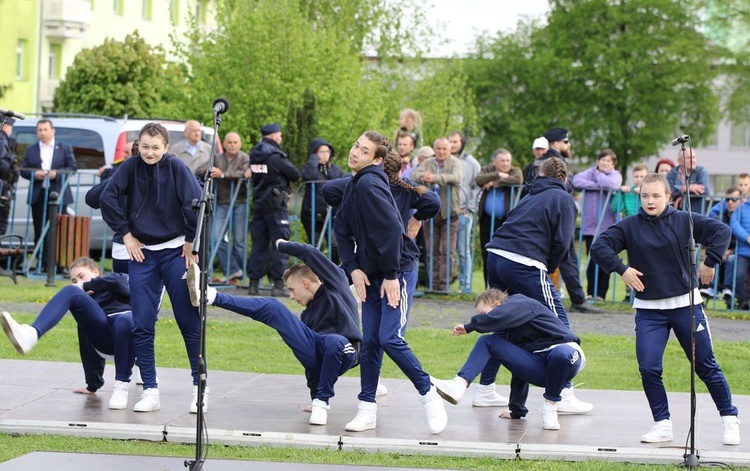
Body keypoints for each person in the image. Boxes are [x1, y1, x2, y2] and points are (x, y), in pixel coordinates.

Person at [590, 173, 740, 445]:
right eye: (645, 196)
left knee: (705, 366)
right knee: (648, 367)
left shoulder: (685, 220)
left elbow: (722, 231)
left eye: (656, 196)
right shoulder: (629, 226)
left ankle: (729, 417)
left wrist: (710, 261)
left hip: (686, 306)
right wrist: (621, 269)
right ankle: (662, 424)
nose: (650, 201)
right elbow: (599, 246)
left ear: (668, 197)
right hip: (649, 310)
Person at [326, 131, 447, 435]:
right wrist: (353, 268)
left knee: (390, 338)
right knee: (370, 342)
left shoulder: (369, 183)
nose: (355, 152)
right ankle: (367, 408)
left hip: (397, 270)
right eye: (355, 146)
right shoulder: (355, 183)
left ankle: (428, 392)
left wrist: (392, 275)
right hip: (372, 272)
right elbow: (341, 227)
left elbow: (393, 230)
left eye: (363, 151)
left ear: (377, 160)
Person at [187, 239, 361, 425]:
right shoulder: (307, 315)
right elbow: (311, 367)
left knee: (333, 341)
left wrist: (280, 245)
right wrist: (313, 394)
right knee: (274, 308)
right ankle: (211, 296)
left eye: (292, 290)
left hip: (345, 349)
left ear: (306, 283)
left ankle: (322, 403)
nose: (291, 296)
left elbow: (310, 253)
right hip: (320, 352)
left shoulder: (337, 284)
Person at [99, 122, 204, 413]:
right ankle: (150, 390)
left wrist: (190, 241)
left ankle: (200, 389)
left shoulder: (176, 167)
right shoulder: (130, 166)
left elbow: (196, 204)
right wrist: (127, 234)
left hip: (175, 253)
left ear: (166, 147)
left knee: (188, 321)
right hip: (142, 255)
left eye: (155, 147)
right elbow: (106, 198)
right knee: (142, 324)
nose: (149, 152)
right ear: (139, 145)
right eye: (145, 146)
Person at [484, 157, 593, 414]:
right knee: (559, 325)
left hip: (496, 256)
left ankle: (486, 388)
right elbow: (563, 243)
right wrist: (550, 266)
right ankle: (563, 391)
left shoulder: (528, 196)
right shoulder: (564, 199)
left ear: (539, 175)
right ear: (564, 178)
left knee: (507, 324)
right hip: (525, 263)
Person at [431, 289, 586, 431]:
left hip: (567, 357)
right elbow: (519, 371)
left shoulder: (520, 302)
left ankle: (550, 407)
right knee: (487, 341)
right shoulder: (508, 332)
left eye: (483, 314)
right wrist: (516, 410)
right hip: (540, 369)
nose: (483, 319)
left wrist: (470, 326)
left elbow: (500, 315)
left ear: (497, 305)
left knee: (561, 353)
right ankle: (459, 384)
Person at [0, 257, 135, 410]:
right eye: (74, 279)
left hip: (127, 329)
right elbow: (86, 340)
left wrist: (87, 285)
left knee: (127, 319)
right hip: (106, 338)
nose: (77, 282)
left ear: (96, 271)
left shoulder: (115, 280)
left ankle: (126, 382)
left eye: (81, 276)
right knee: (71, 291)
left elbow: (124, 284)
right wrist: (93, 384)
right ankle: (31, 334)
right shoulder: (86, 306)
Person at [523, 128, 598, 314]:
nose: (568, 145)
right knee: (565, 255)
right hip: (552, 216)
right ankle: (576, 299)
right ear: (556, 143)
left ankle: (576, 298)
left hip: (541, 216)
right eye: (566, 142)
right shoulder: (554, 161)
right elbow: (567, 185)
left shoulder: (540, 160)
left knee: (563, 256)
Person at [247, 123, 300, 297]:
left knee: (258, 245)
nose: (281, 139)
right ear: (274, 136)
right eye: (280, 136)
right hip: (276, 206)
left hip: (259, 204)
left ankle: (253, 284)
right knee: (281, 244)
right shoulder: (275, 156)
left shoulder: (254, 154)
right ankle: (278, 284)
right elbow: (294, 173)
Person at [20, 119, 78, 271]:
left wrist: (56, 174)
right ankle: (43, 263)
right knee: (40, 230)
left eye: (45, 129)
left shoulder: (64, 148)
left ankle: (59, 264)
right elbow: (23, 169)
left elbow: (72, 167)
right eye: (40, 130)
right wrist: (34, 174)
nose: (43, 133)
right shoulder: (31, 150)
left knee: (59, 230)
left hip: (59, 195)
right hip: (39, 195)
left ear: (53, 131)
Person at [411, 137, 462, 292]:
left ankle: (443, 285)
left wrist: (435, 178)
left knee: (447, 249)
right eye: (438, 149)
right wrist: (423, 177)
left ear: (450, 150)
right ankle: (432, 284)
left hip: (449, 212)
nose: (441, 152)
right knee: (431, 249)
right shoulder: (428, 162)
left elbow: (457, 177)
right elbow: (414, 174)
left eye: (444, 149)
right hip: (430, 212)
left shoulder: (455, 162)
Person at [571, 149, 623, 301]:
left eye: (608, 161)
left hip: (607, 226)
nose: (605, 163)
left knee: (605, 260)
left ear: (613, 163)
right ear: (598, 160)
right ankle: (590, 292)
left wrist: (598, 178)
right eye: (602, 159)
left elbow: (613, 184)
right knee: (591, 259)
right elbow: (576, 180)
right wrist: (597, 184)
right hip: (590, 226)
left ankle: (601, 294)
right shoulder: (589, 172)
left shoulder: (615, 175)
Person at [475, 148, 523, 287]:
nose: (506, 164)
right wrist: (498, 174)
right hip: (487, 219)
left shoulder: (515, 170)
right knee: (487, 253)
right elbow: (479, 179)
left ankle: (504, 289)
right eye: (502, 161)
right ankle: (488, 287)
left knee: (506, 254)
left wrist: (495, 183)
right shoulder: (487, 169)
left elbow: (518, 179)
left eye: (508, 160)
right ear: (494, 162)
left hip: (507, 221)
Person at [211, 132, 251, 282]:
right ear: (225, 144)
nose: (232, 145)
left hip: (240, 201)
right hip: (222, 202)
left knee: (239, 241)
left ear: (240, 144)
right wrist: (212, 172)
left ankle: (243, 277)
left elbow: (245, 173)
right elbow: (202, 170)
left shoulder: (245, 158)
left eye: (235, 142)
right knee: (215, 238)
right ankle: (235, 270)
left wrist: (223, 175)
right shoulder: (217, 157)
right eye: (229, 142)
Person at [300, 137, 345, 262]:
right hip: (312, 214)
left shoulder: (335, 169)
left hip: (332, 214)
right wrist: (314, 161)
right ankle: (315, 277)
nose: (325, 155)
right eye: (321, 152)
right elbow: (307, 176)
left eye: (327, 151)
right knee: (315, 247)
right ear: (314, 153)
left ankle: (333, 273)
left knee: (335, 245)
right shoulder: (310, 168)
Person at [449, 131, 481, 294]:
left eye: (455, 142)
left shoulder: (471, 163)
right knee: (446, 250)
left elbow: (477, 187)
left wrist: (469, 207)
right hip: (446, 212)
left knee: (463, 250)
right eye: (450, 141)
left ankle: (465, 285)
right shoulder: (444, 160)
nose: (452, 145)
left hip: (463, 212)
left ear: (461, 143)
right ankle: (445, 284)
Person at [705, 188, 741, 306]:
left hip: (738, 251)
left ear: (740, 200)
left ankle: (728, 289)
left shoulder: (744, 216)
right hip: (723, 250)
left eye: (734, 199)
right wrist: (722, 250)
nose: (730, 202)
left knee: (731, 259)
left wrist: (731, 250)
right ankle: (711, 287)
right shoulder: (720, 216)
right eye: (727, 199)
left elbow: (742, 239)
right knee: (715, 256)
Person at [666, 149, 710, 213]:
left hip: (696, 214)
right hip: (676, 214)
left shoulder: (701, 171)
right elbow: (668, 192)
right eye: (688, 158)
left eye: (694, 157)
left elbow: (706, 191)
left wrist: (683, 197)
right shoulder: (672, 173)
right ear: (679, 161)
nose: (692, 160)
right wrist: (684, 188)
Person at [0, 117, 18, 235]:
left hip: (5, 186)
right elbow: (2, 163)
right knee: (1, 222)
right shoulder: (2, 141)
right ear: (6, 126)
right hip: (4, 186)